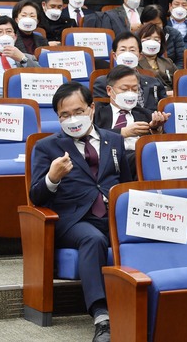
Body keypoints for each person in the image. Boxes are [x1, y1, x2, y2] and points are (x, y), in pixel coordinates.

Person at [29, 82, 133, 342]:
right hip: (73, 220)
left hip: (112, 216)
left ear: (92, 109)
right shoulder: (47, 147)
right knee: (93, 239)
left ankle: (149, 303)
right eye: (65, 115)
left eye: (78, 111)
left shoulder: (114, 140)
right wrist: (52, 178)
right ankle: (101, 316)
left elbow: (128, 185)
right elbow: (36, 196)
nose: (72, 119)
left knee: (142, 232)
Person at [94, 65, 169, 176]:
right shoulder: (97, 112)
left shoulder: (146, 114)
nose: (130, 93)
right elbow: (91, 136)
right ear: (109, 90)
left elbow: (160, 147)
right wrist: (123, 132)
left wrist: (155, 130)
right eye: (124, 89)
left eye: (134, 89)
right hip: (108, 160)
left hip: (141, 164)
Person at [93, 31, 167, 112]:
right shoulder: (103, 82)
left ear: (140, 56)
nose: (127, 54)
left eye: (132, 50)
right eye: (123, 50)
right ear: (114, 56)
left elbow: (164, 108)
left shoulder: (154, 82)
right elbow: (101, 114)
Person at [0, 15, 40, 97]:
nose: (5, 35)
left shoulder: (27, 57)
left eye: (9, 31)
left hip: (21, 98)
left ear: (15, 37)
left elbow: (42, 77)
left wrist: (22, 59)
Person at [136, 22, 177, 95]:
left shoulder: (168, 62)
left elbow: (179, 83)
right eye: (147, 39)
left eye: (156, 39)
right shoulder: (134, 63)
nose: (152, 42)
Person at [140, 4, 185, 68]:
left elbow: (181, 60)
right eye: (149, 24)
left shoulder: (174, 34)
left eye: (157, 24)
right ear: (143, 23)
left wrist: (173, 74)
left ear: (163, 23)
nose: (153, 27)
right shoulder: (136, 36)